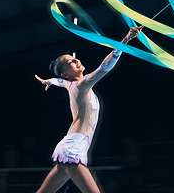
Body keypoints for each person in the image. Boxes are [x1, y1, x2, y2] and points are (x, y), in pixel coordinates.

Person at [35, 26, 142, 193]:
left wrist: (48, 81)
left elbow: (58, 81)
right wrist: (126, 40)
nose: (76, 61)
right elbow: (104, 67)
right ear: (66, 74)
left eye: (73, 58)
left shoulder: (69, 84)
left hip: (72, 146)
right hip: (73, 148)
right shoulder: (81, 84)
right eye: (70, 62)